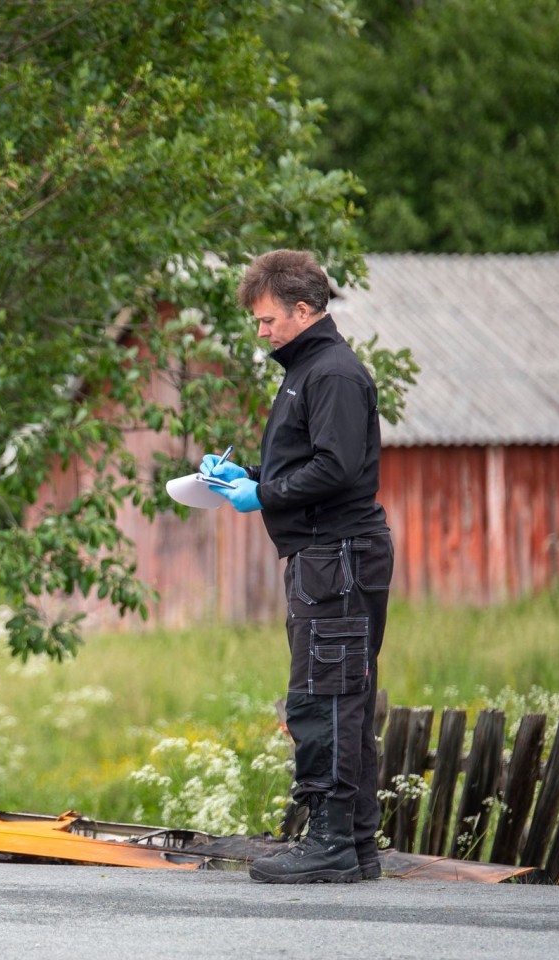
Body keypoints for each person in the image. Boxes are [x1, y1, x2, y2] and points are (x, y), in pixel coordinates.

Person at [202, 249, 394, 884]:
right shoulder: (306, 371)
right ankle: (356, 845)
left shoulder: (331, 373)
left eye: (265, 320)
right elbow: (309, 465)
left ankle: (331, 842)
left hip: (336, 555)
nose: (259, 333)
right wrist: (249, 477)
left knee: (325, 698)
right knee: (337, 694)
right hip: (323, 556)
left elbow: (336, 469)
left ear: (303, 310)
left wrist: (266, 494)